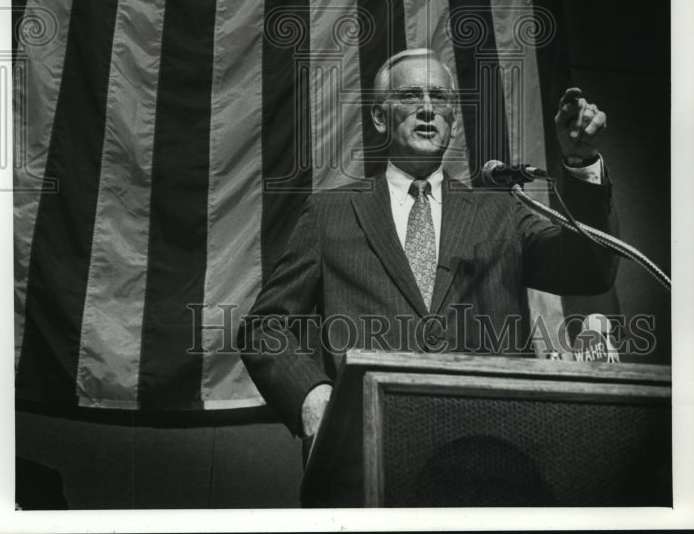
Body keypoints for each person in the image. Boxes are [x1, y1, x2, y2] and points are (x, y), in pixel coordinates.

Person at [240, 49, 617, 458]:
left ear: (453, 121)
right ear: (381, 117)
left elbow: (588, 270)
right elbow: (264, 327)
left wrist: (581, 163)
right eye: (409, 95)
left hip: (494, 450)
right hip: (369, 446)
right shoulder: (330, 213)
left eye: (438, 98)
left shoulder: (502, 210)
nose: (425, 109)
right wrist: (312, 396)